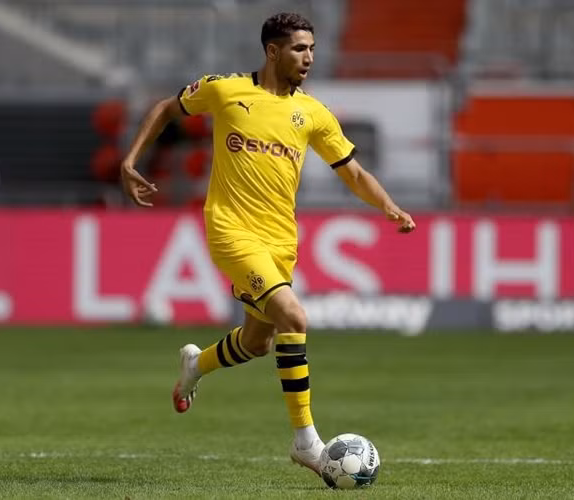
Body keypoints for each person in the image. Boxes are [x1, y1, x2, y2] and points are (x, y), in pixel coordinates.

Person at [120, 12, 416, 476]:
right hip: (231, 231)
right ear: (273, 51)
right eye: (299, 49)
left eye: (312, 49)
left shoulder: (313, 113)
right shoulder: (226, 90)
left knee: (258, 342)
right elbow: (165, 108)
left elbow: (353, 172)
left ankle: (197, 364)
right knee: (293, 317)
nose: (309, 58)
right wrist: (130, 160)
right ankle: (306, 442)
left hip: (280, 242)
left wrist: (388, 206)